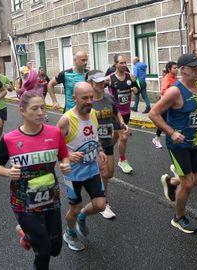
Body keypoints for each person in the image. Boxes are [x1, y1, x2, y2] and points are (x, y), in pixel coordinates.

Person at [0, 90, 71, 270]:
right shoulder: (10, 139)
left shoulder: (55, 133)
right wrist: (7, 172)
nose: (40, 113)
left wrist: (65, 164)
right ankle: (31, 235)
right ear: (22, 111)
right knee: (43, 251)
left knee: (55, 248)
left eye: (43, 108)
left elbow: (63, 156)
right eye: (35, 108)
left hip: (50, 198)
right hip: (23, 201)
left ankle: (26, 234)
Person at [149, 53, 197, 234]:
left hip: (194, 140)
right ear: (182, 70)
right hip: (178, 144)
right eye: (194, 67)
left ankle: (172, 181)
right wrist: (171, 132)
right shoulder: (175, 91)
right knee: (189, 182)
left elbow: (194, 112)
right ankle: (178, 217)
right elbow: (153, 113)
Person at [56, 82, 107, 251]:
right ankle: (69, 233)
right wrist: (68, 156)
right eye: (85, 98)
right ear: (74, 98)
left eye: (91, 97)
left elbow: (95, 134)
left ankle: (83, 217)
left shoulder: (93, 113)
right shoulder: (66, 120)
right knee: (75, 208)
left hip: (92, 169)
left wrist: (99, 149)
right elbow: (52, 145)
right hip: (73, 174)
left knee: (100, 204)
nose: (89, 101)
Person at [87, 70, 128, 219]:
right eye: (97, 81)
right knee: (104, 172)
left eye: (102, 81)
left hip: (108, 140)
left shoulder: (109, 98)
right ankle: (103, 203)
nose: (101, 84)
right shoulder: (88, 102)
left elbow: (115, 112)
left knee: (109, 173)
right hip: (95, 144)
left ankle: (97, 188)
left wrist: (122, 123)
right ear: (90, 83)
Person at [108, 54, 138, 174]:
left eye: (125, 62)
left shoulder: (130, 76)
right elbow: (98, 89)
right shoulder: (110, 78)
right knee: (124, 136)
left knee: (116, 135)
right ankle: (122, 160)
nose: (124, 65)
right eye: (121, 63)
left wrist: (136, 90)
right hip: (115, 113)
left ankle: (106, 150)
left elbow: (137, 89)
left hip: (126, 112)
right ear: (115, 64)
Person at [153, 61, 177, 149]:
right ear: (169, 69)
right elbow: (163, 91)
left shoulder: (173, 77)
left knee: (170, 121)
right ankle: (157, 138)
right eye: (174, 68)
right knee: (163, 122)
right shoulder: (167, 78)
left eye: (176, 67)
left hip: (171, 103)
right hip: (165, 104)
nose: (176, 69)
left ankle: (171, 138)